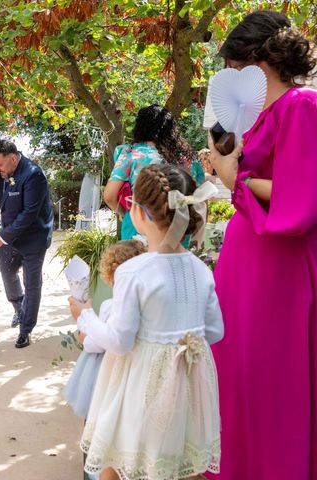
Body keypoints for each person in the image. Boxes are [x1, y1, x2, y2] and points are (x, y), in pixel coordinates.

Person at [207, 11, 317, 480]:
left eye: (234, 64)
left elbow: (303, 194)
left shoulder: (301, 105)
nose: (231, 75)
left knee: (271, 378)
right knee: (239, 374)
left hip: (278, 265)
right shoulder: (264, 115)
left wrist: (235, 176)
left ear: (257, 61)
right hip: (247, 259)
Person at [71, 164, 222, 480]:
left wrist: (85, 317)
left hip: (142, 385)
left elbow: (120, 340)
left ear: (138, 211)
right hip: (189, 389)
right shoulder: (201, 271)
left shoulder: (134, 272)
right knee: (183, 464)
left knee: (119, 460)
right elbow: (215, 332)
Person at [0, 139, 53, 348]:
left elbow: (29, 214)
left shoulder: (34, 174)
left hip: (34, 237)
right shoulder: (3, 173)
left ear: (14, 158)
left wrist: (2, 237)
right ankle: (19, 308)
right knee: (7, 273)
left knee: (32, 284)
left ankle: (26, 330)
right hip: (10, 236)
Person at [63, 239, 146, 419]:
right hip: (135, 372)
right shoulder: (145, 304)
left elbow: (96, 344)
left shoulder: (112, 305)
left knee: (98, 416)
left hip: (105, 372)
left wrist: (82, 331)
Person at [103, 105, 204, 240]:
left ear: (140, 127)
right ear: (172, 129)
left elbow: (109, 196)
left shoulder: (132, 154)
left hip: (139, 228)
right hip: (179, 227)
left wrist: (125, 213)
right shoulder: (188, 159)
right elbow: (201, 198)